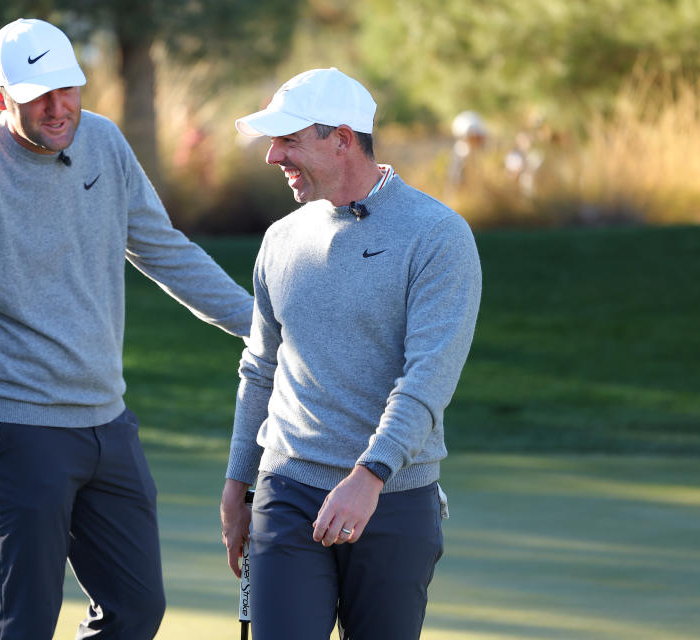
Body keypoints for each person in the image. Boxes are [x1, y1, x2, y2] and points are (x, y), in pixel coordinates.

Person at [0, 18, 253, 640]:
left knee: (137, 610)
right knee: (26, 624)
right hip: (14, 431)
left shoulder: (104, 142)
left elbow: (165, 250)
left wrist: (262, 330)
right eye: (37, 93)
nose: (57, 106)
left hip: (106, 422)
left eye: (66, 88)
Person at [220, 68, 482, 639]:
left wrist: (370, 476)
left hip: (394, 499)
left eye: (288, 140)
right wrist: (240, 481)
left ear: (341, 138)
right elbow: (261, 367)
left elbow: (428, 378)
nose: (272, 157)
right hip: (287, 489)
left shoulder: (438, 235)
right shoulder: (280, 239)